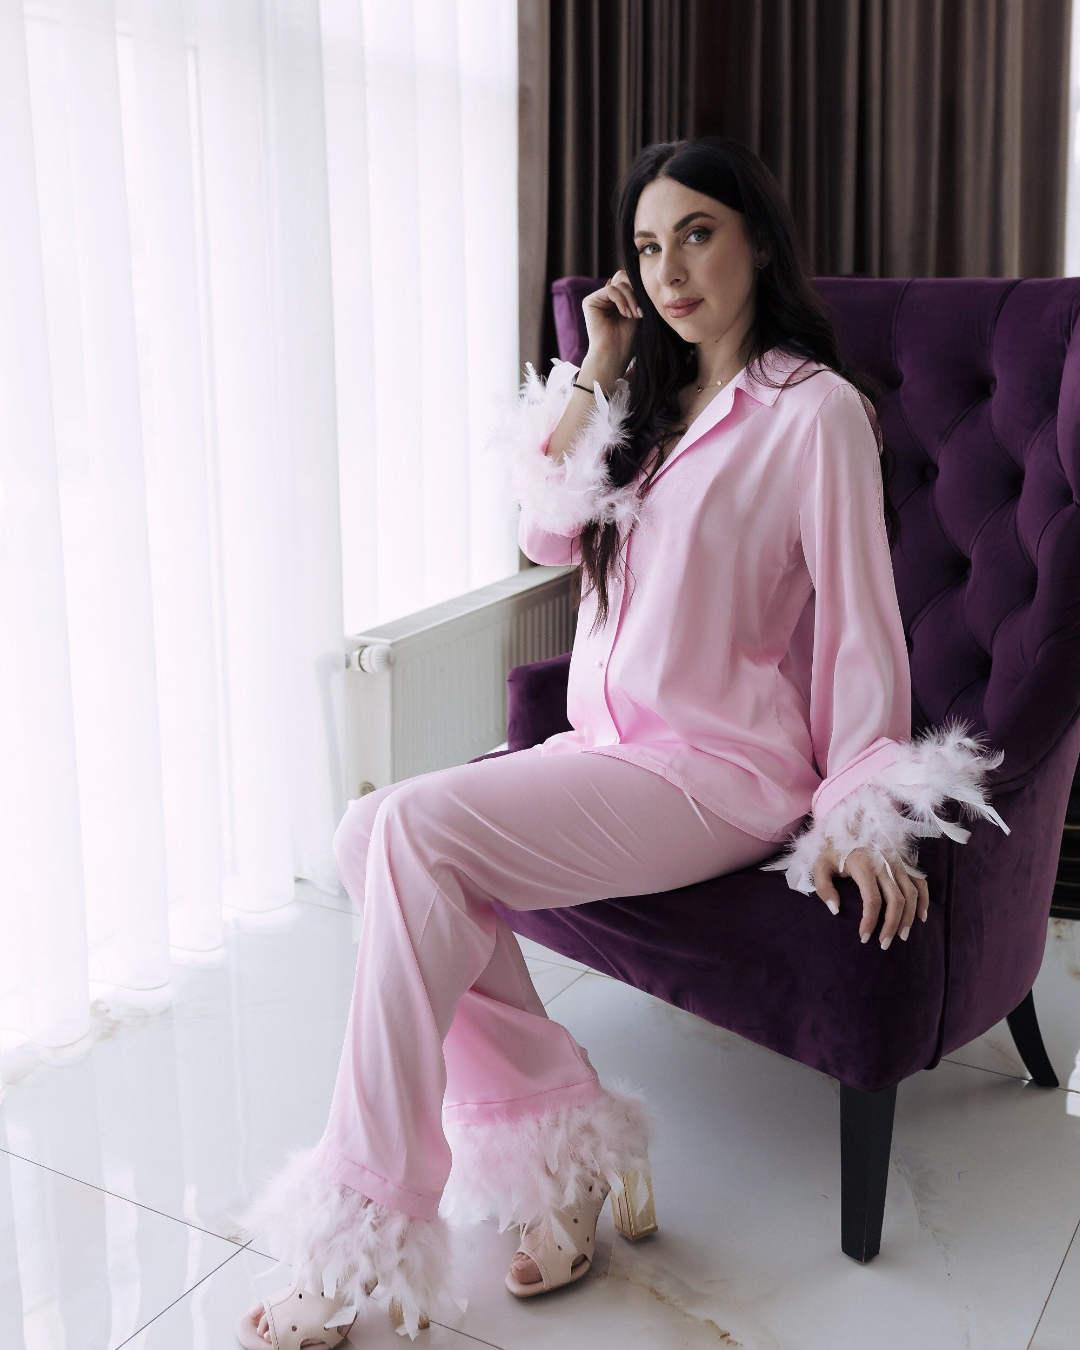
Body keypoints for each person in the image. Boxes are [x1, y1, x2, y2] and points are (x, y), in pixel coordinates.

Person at [233, 136, 1008, 1347]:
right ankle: (569, 1169)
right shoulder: (648, 404)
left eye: (697, 233)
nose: (670, 269)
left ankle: (359, 1239)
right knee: (365, 831)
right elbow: (547, 535)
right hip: (603, 750)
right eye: (649, 246)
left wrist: (864, 808)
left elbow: (864, 631)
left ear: (757, 237)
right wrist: (596, 369)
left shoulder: (816, 415)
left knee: (417, 832)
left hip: (717, 775)